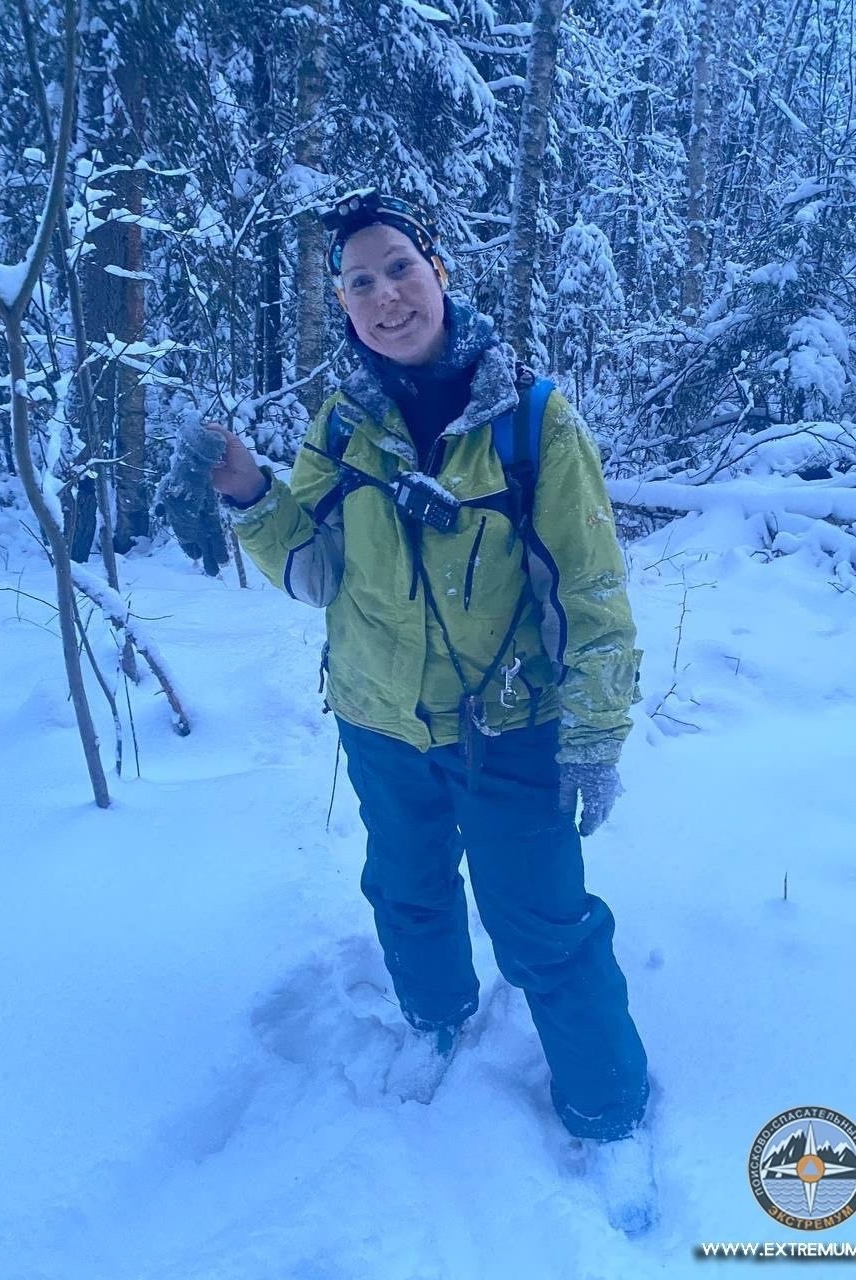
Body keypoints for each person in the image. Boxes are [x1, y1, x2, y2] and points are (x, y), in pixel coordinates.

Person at [209, 190, 650, 1145]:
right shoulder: (339, 426)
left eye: (400, 268)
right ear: (342, 301)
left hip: (508, 727)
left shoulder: (534, 422)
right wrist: (249, 494)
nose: (386, 296)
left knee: (545, 924)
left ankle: (608, 1112)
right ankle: (437, 1019)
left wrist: (596, 733)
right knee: (406, 890)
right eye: (360, 282)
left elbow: (590, 590)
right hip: (377, 719)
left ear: (439, 272)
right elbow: (315, 570)